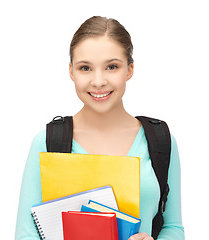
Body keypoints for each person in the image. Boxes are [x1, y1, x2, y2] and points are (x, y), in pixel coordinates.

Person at [15, 16, 185, 240]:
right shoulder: (47, 142)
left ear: (129, 70)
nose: (98, 81)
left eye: (111, 66)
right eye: (85, 68)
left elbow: (173, 227)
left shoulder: (161, 141)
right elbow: (25, 234)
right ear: (71, 72)